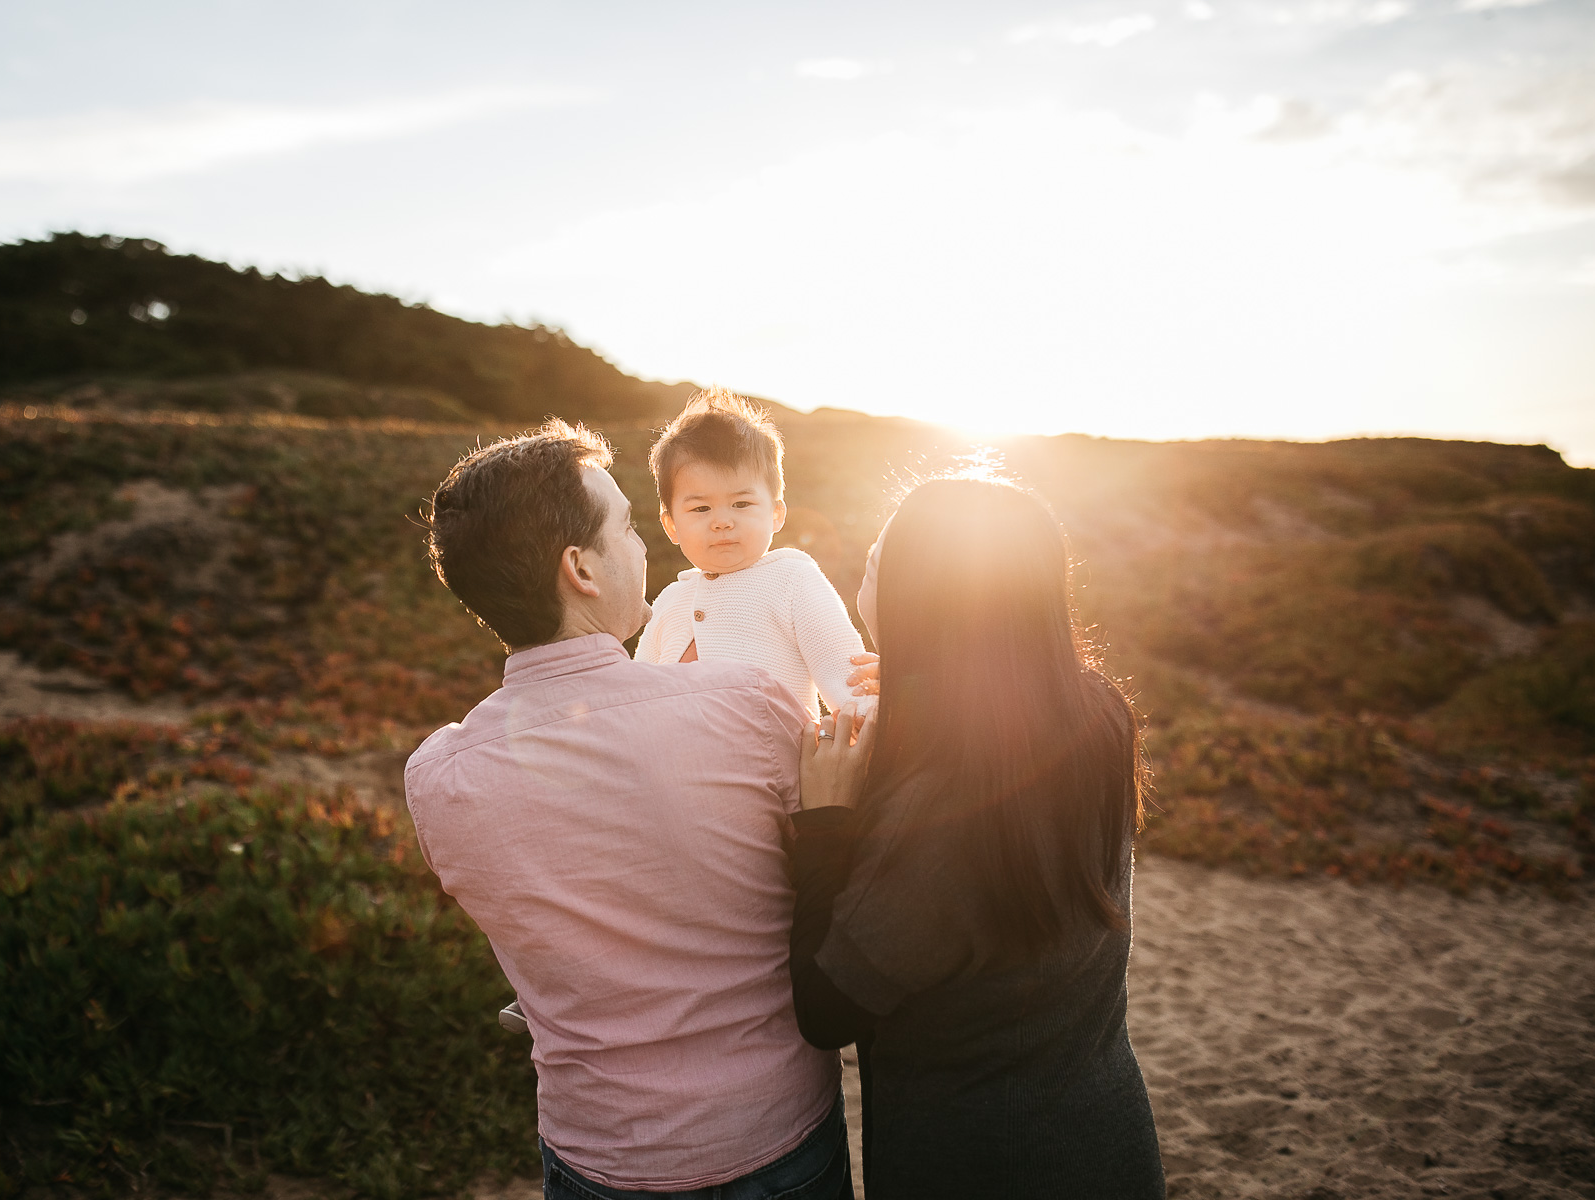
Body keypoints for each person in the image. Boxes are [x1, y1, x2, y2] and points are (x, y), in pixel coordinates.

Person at [403, 419, 854, 1199]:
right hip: (773, 1137)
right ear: (580, 568)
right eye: (628, 527)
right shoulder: (748, 704)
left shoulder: (438, 774)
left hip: (595, 1153)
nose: (648, 548)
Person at [790, 475, 1167, 1199]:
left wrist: (826, 822)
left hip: (979, 1161)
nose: (866, 568)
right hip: (1108, 1140)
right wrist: (913, 677)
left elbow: (824, 1008)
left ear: (918, 601)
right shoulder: (1098, 717)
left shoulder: (938, 813)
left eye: (878, 560)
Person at [636, 389, 871, 720]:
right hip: (677, 768)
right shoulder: (669, 601)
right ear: (671, 525)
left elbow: (847, 678)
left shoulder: (793, 580)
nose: (722, 521)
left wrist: (866, 721)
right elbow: (636, 695)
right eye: (701, 508)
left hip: (777, 767)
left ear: (776, 514)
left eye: (741, 504)